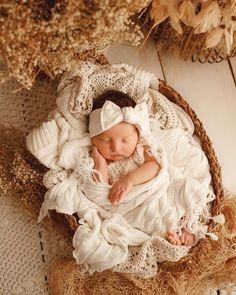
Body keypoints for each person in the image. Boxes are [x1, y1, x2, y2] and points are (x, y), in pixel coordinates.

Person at [88, 90, 195, 247]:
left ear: (138, 135)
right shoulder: (99, 160)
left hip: (159, 191)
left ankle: (187, 228)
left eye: (125, 140)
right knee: (142, 220)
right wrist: (100, 164)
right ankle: (169, 237)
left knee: (184, 190)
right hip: (137, 205)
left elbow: (155, 166)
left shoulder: (142, 148)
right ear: (93, 138)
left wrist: (130, 179)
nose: (116, 147)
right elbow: (102, 191)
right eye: (105, 140)